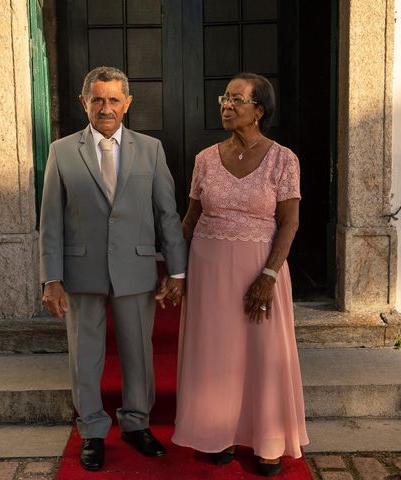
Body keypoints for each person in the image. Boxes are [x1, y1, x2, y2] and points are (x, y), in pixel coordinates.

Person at [39, 66, 187, 472]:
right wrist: (52, 278)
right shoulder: (62, 151)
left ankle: (137, 423)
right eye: (98, 99)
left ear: (128, 104)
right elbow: (50, 220)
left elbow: (167, 213)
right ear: (84, 102)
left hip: (136, 267)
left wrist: (177, 272)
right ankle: (91, 430)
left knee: (138, 351)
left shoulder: (151, 149)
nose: (106, 108)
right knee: (85, 354)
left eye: (114, 100)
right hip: (80, 269)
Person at [171, 73, 309, 476]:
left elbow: (289, 223)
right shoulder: (204, 159)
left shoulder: (284, 159)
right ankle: (219, 433)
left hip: (261, 269)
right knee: (216, 354)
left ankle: (268, 439)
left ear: (259, 110)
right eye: (224, 98)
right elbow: (190, 219)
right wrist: (176, 271)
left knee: (264, 354)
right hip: (209, 269)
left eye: (236, 100)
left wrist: (268, 274)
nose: (226, 106)